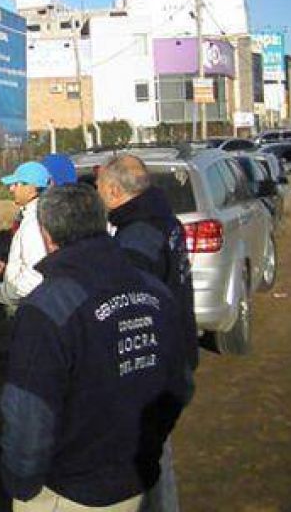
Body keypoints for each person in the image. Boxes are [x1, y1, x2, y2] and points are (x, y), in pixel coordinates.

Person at [0, 184, 193, 512]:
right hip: (140, 477)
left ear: (47, 235)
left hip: (71, 490)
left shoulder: (47, 308)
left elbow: (29, 412)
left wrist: (21, 480)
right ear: (103, 223)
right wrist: (150, 443)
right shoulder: (154, 290)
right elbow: (180, 382)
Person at [96, 155, 199, 512]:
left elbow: (138, 307)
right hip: (176, 348)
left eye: (98, 189)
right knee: (157, 452)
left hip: (155, 360)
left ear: (113, 189)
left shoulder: (138, 235)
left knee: (144, 455)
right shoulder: (165, 219)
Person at [0, 161, 50, 316]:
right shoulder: (38, 216)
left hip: (30, 306)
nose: (11, 189)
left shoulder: (32, 225)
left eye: (15, 184)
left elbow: (34, 276)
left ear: (31, 188)